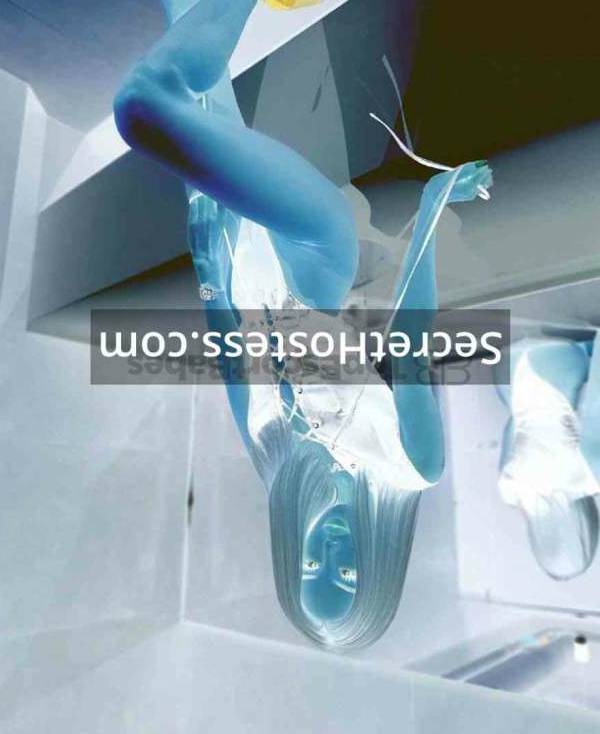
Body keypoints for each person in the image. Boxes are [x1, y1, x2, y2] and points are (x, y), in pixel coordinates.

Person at [114, 0, 492, 648]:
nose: (330, 549)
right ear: (378, 573)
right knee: (145, 108)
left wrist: (207, 269)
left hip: (238, 272)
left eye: (312, 566)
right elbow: (407, 344)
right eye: (348, 572)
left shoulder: (280, 474)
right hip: (315, 263)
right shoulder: (413, 467)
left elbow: (233, 360)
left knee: (202, 74)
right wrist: (432, 204)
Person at [497, 337, 600, 580]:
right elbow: (512, 426)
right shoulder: (510, 491)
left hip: (556, 355)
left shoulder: (591, 478)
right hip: (507, 365)